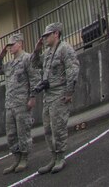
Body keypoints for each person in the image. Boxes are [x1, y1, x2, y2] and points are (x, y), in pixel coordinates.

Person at [34, 22, 79, 175]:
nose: (45, 38)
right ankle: (53, 157)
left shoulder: (65, 49)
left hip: (59, 93)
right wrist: (37, 49)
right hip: (48, 95)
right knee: (47, 129)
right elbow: (35, 64)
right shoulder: (47, 52)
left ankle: (60, 157)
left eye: (47, 35)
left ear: (56, 34)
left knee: (58, 127)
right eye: (44, 36)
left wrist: (69, 92)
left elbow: (72, 70)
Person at [0, 33, 39, 174]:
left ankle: (24, 159)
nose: (9, 48)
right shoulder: (9, 64)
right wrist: (1, 55)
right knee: (11, 134)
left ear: (20, 43)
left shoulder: (27, 59)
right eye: (8, 46)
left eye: (12, 45)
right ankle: (16, 158)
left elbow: (35, 78)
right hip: (10, 104)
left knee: (23, 132)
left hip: (22, 102)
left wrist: (32, 97)